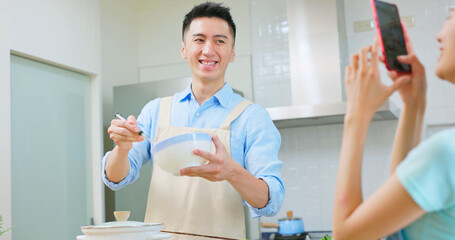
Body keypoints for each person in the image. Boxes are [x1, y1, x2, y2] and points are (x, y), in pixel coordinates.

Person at [102, 2, 284, 239]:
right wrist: (122, 149)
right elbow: (115, 179)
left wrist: (232, 173)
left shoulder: (251, 117)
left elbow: (271, 201)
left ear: (233, 52)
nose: (208, 50)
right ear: (184, 49)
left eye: (219, 41)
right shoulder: (156, 110)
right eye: (199, 40)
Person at [332, 7, 455, 240]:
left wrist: (357, 113)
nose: (439, 34)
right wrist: (414, 104)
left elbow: (346, 236)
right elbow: (401, 208)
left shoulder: (446, 152)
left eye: (451, 16)